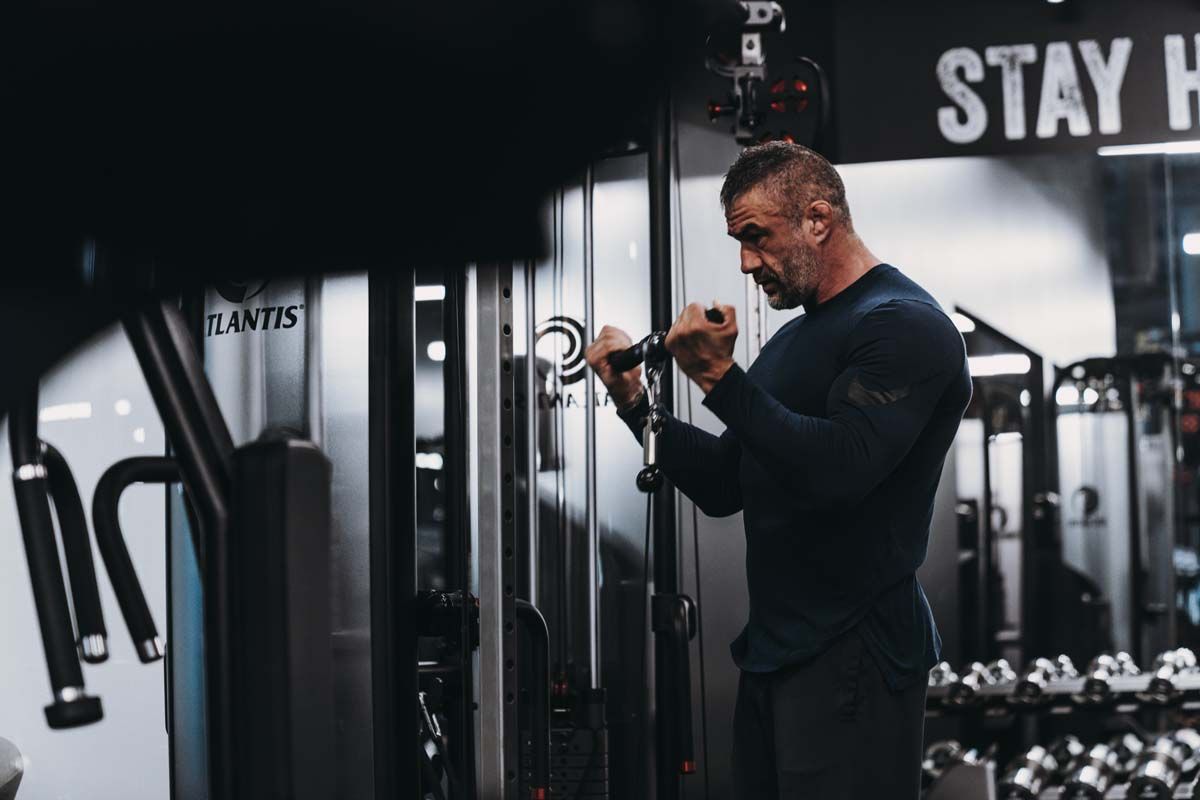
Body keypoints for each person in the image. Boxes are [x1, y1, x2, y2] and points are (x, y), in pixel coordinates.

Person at [584, 142, 972, 799]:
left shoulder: (904, 326)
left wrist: (719, 377)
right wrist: (634, 404)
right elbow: (723, 482)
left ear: (818, 219)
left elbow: (841, 469)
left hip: (855, 647)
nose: (746, 262)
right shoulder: (796, 338)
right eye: (739, 242)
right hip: (778, 649)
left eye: (756, 237)